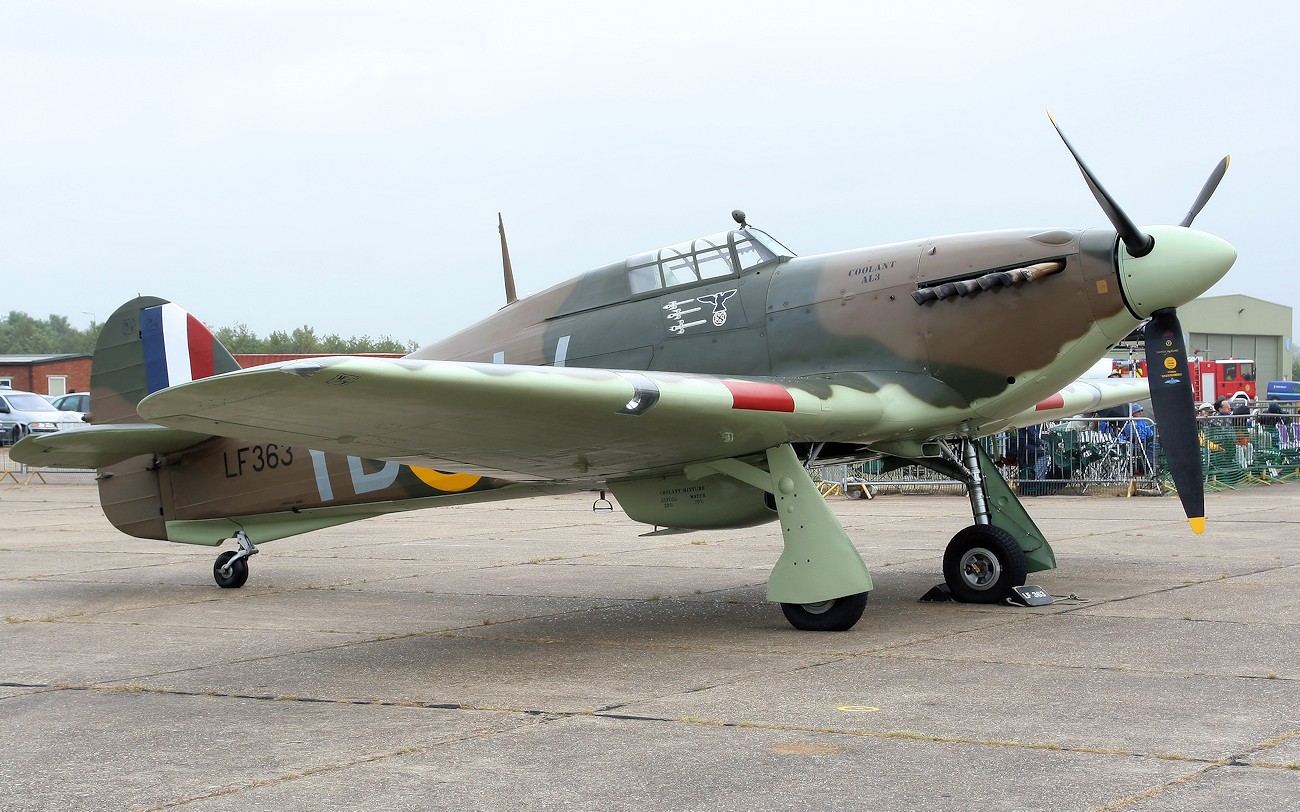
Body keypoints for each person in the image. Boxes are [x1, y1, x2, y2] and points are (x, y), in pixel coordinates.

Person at [1118, 403, 1156, 473]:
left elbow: (1150, 434)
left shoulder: (1144, 422)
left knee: (1152, 448)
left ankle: (1151, 468)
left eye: (1142, 411)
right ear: (1133, 413)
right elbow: (1131, 436)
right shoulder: (1129, 424)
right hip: (1134, 445)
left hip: (1145, 444)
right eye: (1138, 411)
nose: (1141, 413)